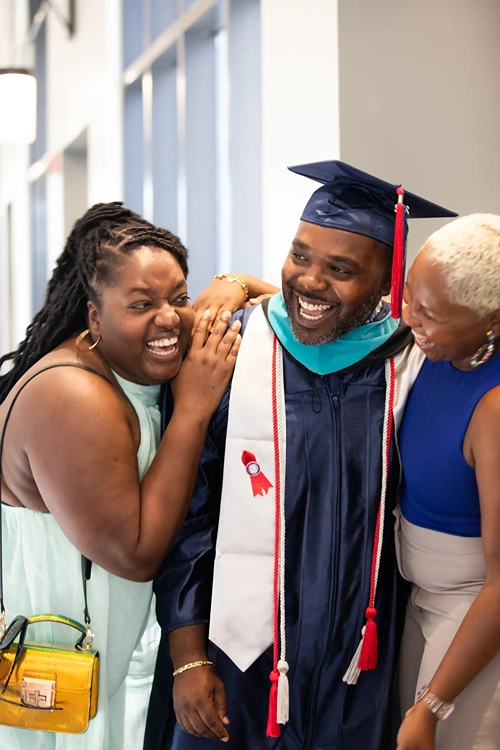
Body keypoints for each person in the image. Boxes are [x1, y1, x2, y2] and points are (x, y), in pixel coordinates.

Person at [149, 161, 456, 750]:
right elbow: (188, 516)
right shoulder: (233, 349)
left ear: (386, 285)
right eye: (299, 256)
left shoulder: (412, 366)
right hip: (237, 662)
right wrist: (187, 657)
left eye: (341, 270)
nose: (309, 281)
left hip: (360, 661)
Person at [0, 201, 273, 750]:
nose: (170, 317)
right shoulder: (73, 395)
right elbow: (136, 552)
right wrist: (194, 408)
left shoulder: (134, 360)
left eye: (178, 296)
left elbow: (284, 305)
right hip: (63, 655)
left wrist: (234, 282)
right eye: (142, 304)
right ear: (95, 317)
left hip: (117, 640)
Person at [394, 214, 500, 750]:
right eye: (409, 293)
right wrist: (239, 284)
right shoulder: (434, 347)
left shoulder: (496, 408)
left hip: (473, 616)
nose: (406, 315)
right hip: (418, 597)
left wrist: (432, 707)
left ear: (492, 321)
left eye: (428, 313)